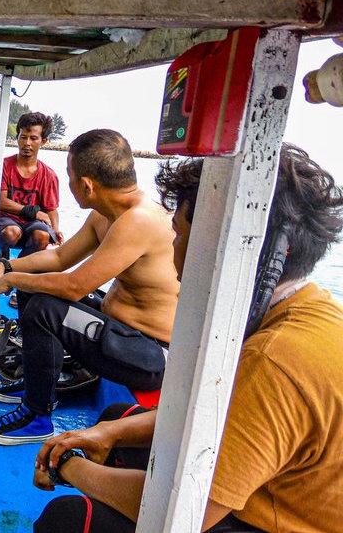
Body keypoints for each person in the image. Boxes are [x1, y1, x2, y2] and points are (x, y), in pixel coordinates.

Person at [32, 144, 343, 532]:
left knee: (67, 520)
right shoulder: (310, 309)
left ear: (234, 248)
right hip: (271, 483)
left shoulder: (273, 359)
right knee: (116, 420)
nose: (173, 252)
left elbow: (186, 510)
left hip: (270, 519)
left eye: (179, 236)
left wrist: (68, 466)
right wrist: (108, 432)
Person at [0, 129, 179, 445]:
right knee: (36, 289)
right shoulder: (107, 213)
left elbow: (73, 285)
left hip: (148, 354)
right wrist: (8, 266)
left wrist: (12, 281)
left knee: (45, 309)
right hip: (121, 329)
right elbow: (58, 257)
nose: (68, 184)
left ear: (87, 185)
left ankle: (36, 417)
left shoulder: (139, 220)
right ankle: (37, 384)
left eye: (70, 176)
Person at [0, 112, 63, 308]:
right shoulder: (4, 166)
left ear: (44, 141)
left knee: (43, 236)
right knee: (12, 232)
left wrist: (56, 230)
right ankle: (2, 255)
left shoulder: (48, 175)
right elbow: (1, 201)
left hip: (31, 227)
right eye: (23, 137)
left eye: (33, 138)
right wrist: (33, 212)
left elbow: (51, 210)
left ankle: (15, 277)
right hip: (7, 222)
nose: (27, 143)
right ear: (17, 137)